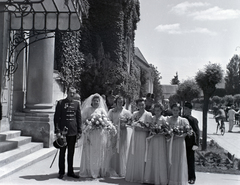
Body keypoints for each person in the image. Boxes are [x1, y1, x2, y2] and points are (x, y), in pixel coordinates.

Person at [79, 93, 116, 178]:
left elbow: (106, 120)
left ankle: (99, 170)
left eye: (97, 101)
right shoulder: (88, 110)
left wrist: (105, 125)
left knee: (99, 151)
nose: (96, 102)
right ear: (91, 101)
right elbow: (83, 120)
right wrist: (90, 122)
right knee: (91, 151)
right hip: (91, 134)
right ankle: (90, 170)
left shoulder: (102, 110)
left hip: (100, 134)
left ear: (99, 102)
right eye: (94, 101)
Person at [54, 86, 82, 179]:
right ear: (67, 93)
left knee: (71, 153)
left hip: (73, 131)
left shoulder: (77, 104)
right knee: (62, 153)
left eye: (74, 93)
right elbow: (56, 118)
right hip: (63, 132)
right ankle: (61, 172)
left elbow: (78, 118)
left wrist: (79, 131)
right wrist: (57, 131)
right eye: (70, 93)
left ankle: (70, 171)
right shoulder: (61, 103)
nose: (72, 94)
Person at [125, 98, 152, 183]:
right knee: (134, 154)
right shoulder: (134, 114)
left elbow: (150, 128)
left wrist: (142, 129)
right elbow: (130, 123)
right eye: (139, 105)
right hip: (135, 137)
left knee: (142, 154)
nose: (141, 106)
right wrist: (132, 125)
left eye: (142, 105)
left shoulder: (148, 114)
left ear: (145, 105)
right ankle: (134, 174)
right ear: (137, 106)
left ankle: (142, 175)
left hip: (143, 137)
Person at [166, 103, 191, 185]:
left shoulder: (183, 120)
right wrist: (170, 134)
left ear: (179, 111)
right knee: (170, 159)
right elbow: (165, 130)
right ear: (171, 110)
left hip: (180, 142)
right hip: (170, 142)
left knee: (179, 160)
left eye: (177, 110)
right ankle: (170, 179)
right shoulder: (168, 119)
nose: (175, 112)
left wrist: (180, 136)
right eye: (173, 110)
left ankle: (179, 179)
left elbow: (188, 131)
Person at [144, 103, 168, 185]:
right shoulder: (152, 118)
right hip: (153, 139)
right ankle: (151, 178)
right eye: (155, 110)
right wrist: (152, 131)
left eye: (158, 110)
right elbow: (149, 127)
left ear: (161, 111)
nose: (157, 112)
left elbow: (166, 130)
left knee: (160, 156)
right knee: (152, 156)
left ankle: (161, 178)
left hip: (160, 139)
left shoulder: (163, 119)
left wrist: (161, 132)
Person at [108, 95, 132, 177]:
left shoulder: (127, 112)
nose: (120, 103)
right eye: (118, 101)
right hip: (114, 133)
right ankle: (113, 169)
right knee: (114, 150)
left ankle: (121, 170)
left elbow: (131, 123)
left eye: (121, 102)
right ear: (116, 102)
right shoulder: (112, 111)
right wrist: (112, 127)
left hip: (123, 133)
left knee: (122, 150)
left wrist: (125, 125)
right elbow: (108, 121)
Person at [183, 102, 200, 184]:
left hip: (190, 143)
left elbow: (197, 132)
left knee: (190, 161)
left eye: (186, 109)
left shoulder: (193, 120)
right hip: (181, 142)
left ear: (190, 110)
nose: (184, 110)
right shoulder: (182, 118)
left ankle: (192, 177)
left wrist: (196, 144)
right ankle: (183, 176)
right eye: (184, 108)